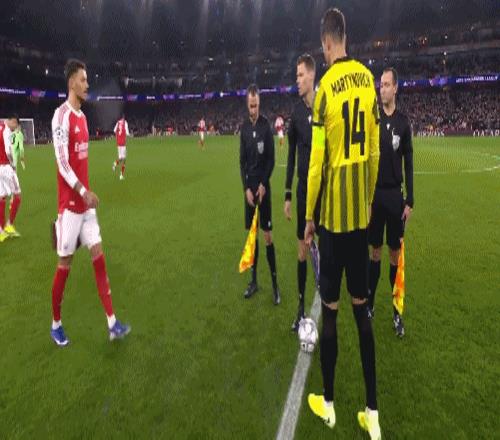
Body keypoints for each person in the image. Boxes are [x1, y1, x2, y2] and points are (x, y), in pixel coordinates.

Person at [304, 8, 382, 439]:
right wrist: (367, 200)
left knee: (330, 314)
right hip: (359, 220)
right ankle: (372, 413)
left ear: (327, 42)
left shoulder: (324, 92)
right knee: (362, 312)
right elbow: (374, 153)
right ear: (345, 37)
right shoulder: (368, 80)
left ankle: (330, 405)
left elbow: (316, 165)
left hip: (333, 224)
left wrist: (309, 216)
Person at [50, 59, 130, 347]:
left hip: (86, 207)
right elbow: (62, 163)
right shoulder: (61, 117)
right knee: (65, 264)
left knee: (99, 256)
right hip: (70, 207)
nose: (87, 84)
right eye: (83, 80)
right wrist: (83, 192)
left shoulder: (83, 118)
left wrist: (87, 194)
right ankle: (56, 324)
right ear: (72, 82)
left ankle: (112, 322)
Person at [368, 67, 414, 337]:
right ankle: (370, 304)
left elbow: (409, 162)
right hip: (375, 196)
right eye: (380, 85)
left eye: (386, 84)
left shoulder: (403, 123)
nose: (382, 89)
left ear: (395, 88)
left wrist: (410, 199)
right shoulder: (372, 120)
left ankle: (397, 312)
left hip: (395, 197)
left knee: (395, 256)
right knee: (374, 253)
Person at [284, 53, 318, 331]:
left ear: (312, 75)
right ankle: (300, 307)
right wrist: (287, 193)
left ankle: (328, 301)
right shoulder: (295, 114)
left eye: (300, 75)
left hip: (324, 192)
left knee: (327, 250)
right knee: (302, 251)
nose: (297, 80)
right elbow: (291, 156)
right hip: (303, 189)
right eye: (296, 75)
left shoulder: (325, 108)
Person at [239, 84, 281, 305]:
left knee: (267, 236)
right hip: (250, 191)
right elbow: (242, 162)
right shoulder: (244, 128)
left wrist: (264, 184)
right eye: (251, 106)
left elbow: (271, 160)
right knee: (252, 237)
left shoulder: (266, 126)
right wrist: (246, 188)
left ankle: (275, 286)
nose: (253, 109)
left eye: (256, 106)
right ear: (247, 104)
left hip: (264, 190)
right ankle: (253, 282)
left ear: (259, 103)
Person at [0, 115, 22, 241]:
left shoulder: (0, 126)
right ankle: (9, 225)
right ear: (13, 122)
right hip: (6, 168)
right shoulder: (6, 130)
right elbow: (8, 151)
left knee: (2, 197)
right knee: (17, 195)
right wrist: (13, 164)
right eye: (15, 126)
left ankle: (1, 231)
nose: (14, 129)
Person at [112, 115, 130, 180]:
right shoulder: (125, 123)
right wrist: (128, 135)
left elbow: (114, 130)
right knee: (124, 160)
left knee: (120, 158)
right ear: (124, 118)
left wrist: (117, 136)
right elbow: (127, 133)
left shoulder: (118, 122)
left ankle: (115, 164)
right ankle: (121, 175)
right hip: (123, 144)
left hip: (118, 143)